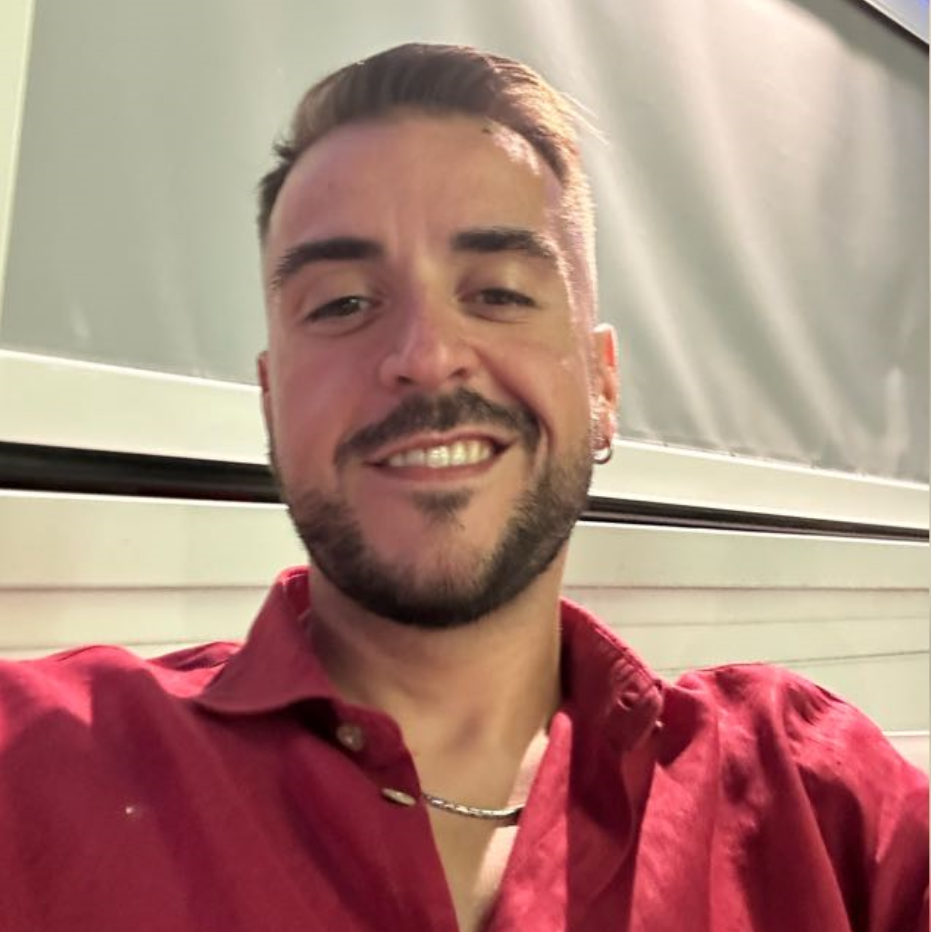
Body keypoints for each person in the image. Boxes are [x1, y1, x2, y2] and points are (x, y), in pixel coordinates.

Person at [0, 42, 926, 932]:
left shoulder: (815, 798)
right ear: (273, 400)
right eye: (343, 303)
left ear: (602, 386)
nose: (427, 355)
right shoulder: (35, 764)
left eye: (498, 293)